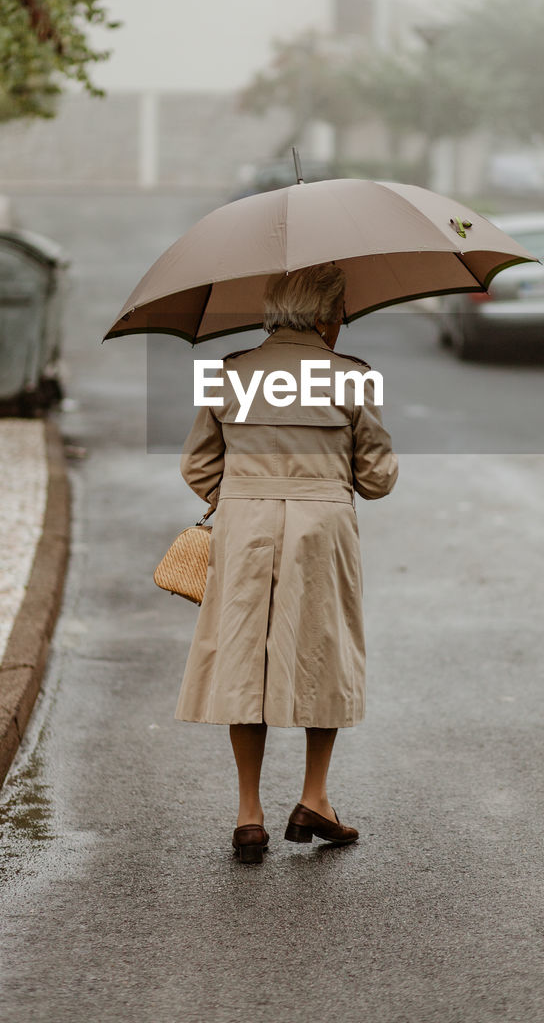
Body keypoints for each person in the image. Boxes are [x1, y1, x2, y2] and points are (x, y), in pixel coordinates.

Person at [175, 263, 398, 864]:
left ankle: (249, 814)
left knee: (245, 655)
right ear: (325, 317)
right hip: (321, 529)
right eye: (342, 312)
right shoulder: (351, 380)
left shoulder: (229, 375)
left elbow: (197, 467)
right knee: (319, 651)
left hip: (243, 526)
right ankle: (314, 798)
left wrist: (247, 491)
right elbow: (377, 478)